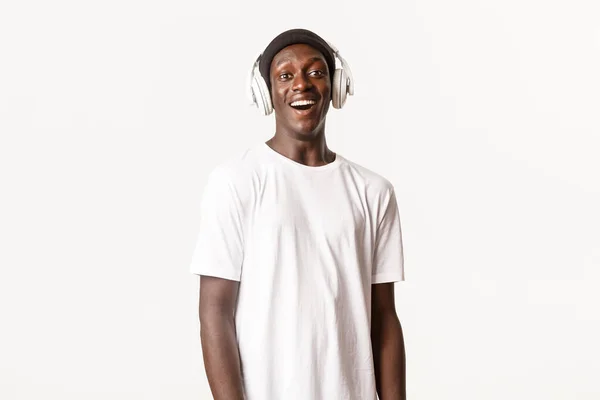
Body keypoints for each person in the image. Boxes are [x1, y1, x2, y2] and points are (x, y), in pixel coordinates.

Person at [190, 28, 406, 400]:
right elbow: (214, 312)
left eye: (316, 72)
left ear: (336, 87)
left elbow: (384, 319)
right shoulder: (235, 181)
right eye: (285, 75)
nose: (301, 85)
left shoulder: (374, 192)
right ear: (265, 93)